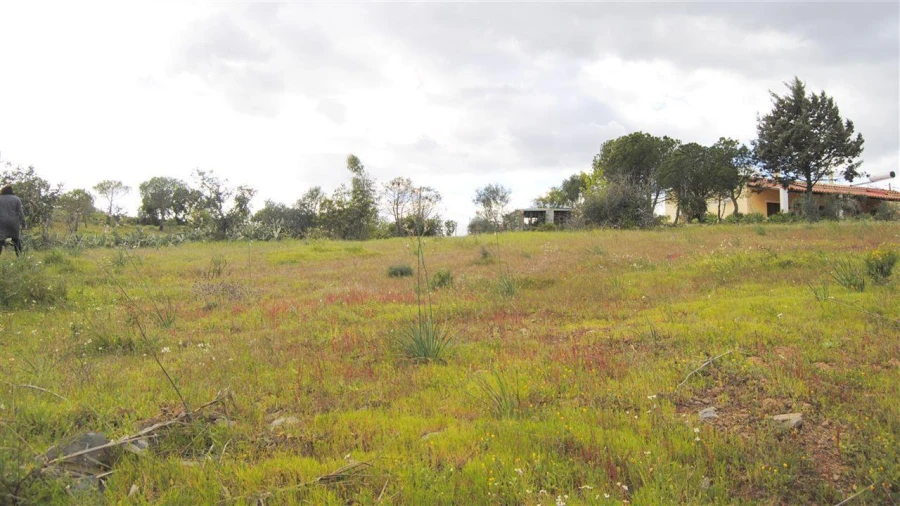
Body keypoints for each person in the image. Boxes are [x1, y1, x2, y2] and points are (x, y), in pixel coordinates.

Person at [0, 185, 26, 256]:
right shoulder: (16, 199)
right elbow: (20, 212)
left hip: (1, 223)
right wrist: (24, 224)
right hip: (13, 222)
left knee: (0, 241)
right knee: (16, 240)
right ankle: (19, 257)